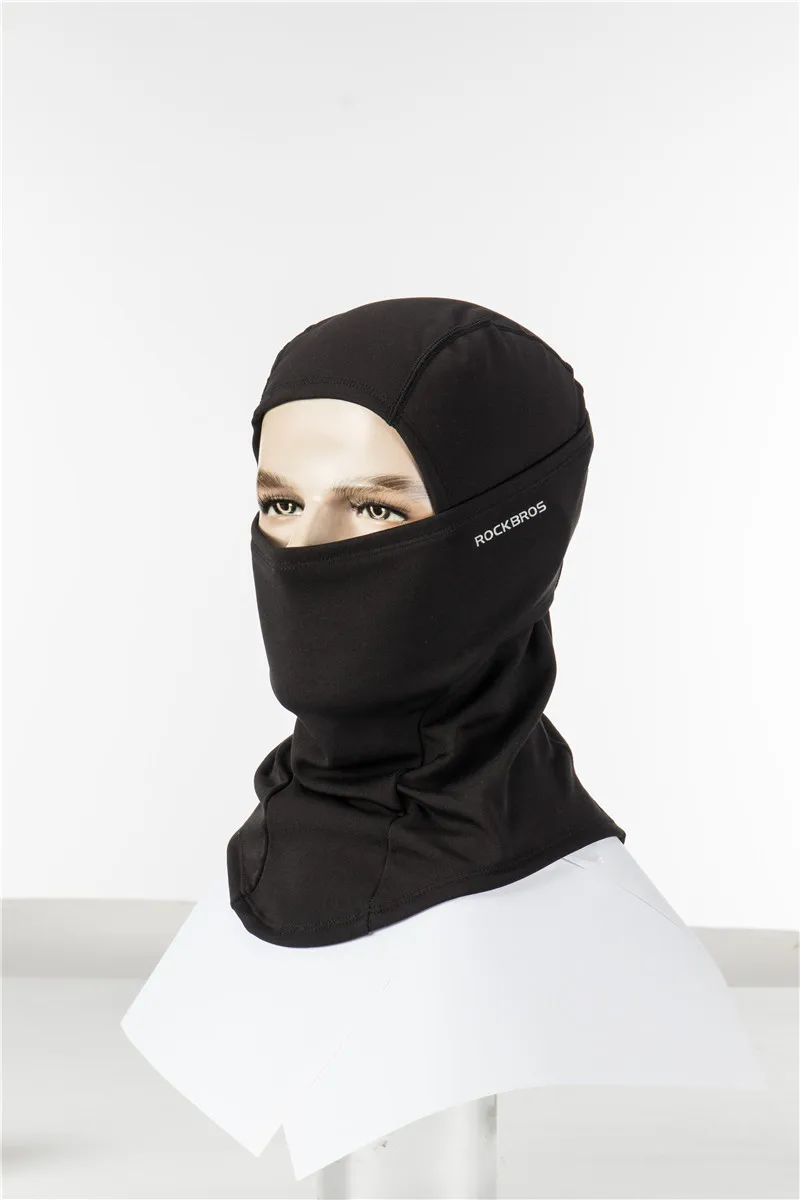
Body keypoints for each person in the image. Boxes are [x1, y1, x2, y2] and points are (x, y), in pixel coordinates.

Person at [121, 298, 765, 1197]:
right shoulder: (261, 871)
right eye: (281, 502)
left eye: (374, 509)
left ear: (511, 531)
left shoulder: (572, 909)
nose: (305, 549)